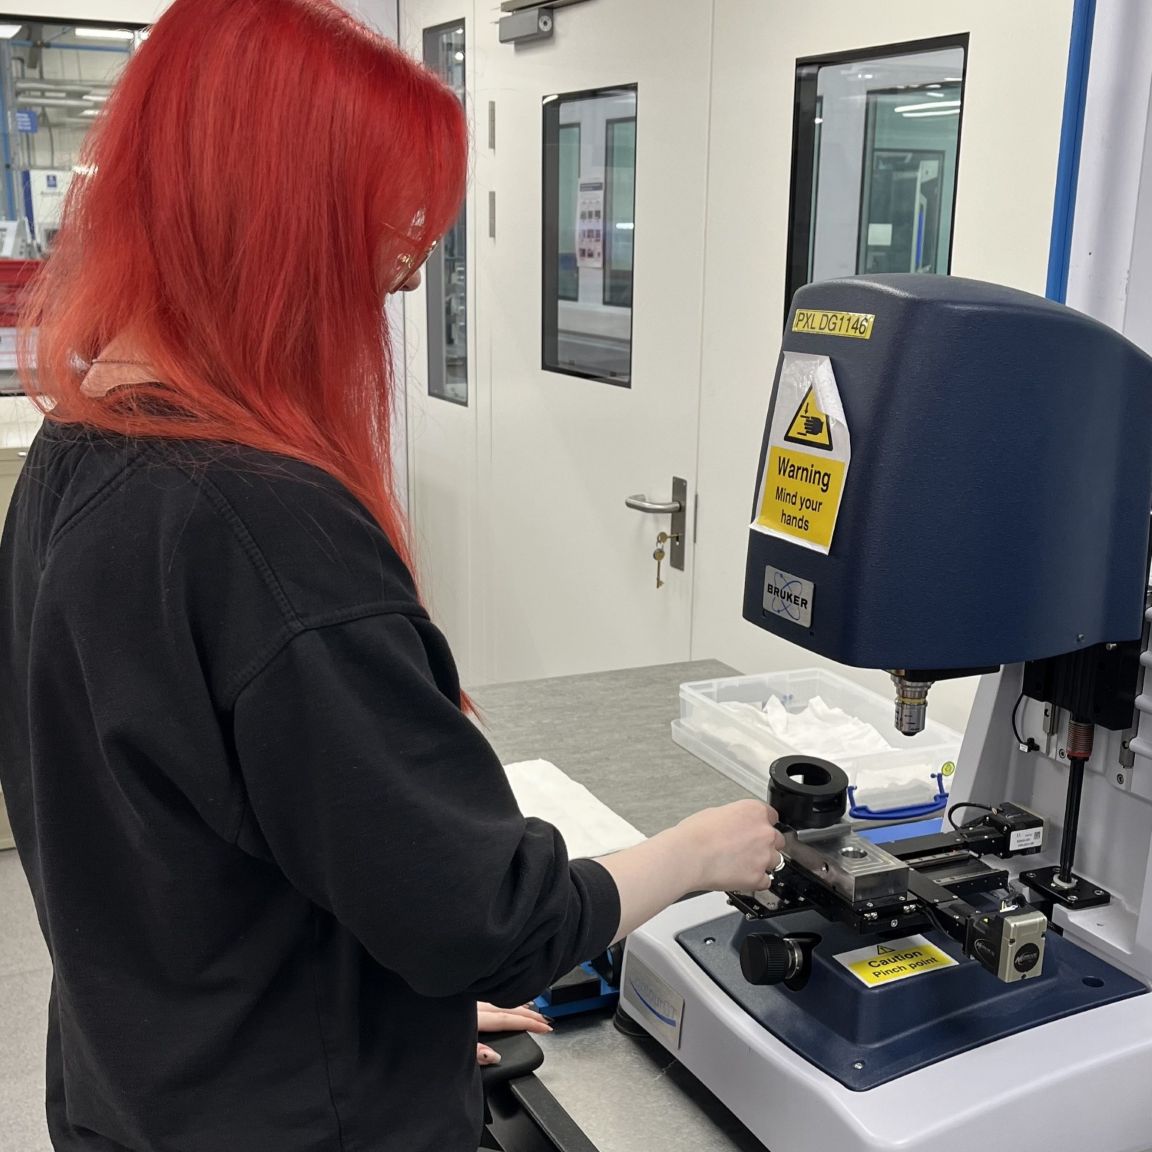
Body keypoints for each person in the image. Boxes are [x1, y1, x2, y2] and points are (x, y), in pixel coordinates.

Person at [0, 2, 785, 1150]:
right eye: (375, 273)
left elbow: (180, 853)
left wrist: (377, 1014)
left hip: (144, 1092)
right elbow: (493, 921)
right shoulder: (262, 527)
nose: (396, 301)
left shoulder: (70, 457)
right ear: (279, 244)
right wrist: (699, 851)